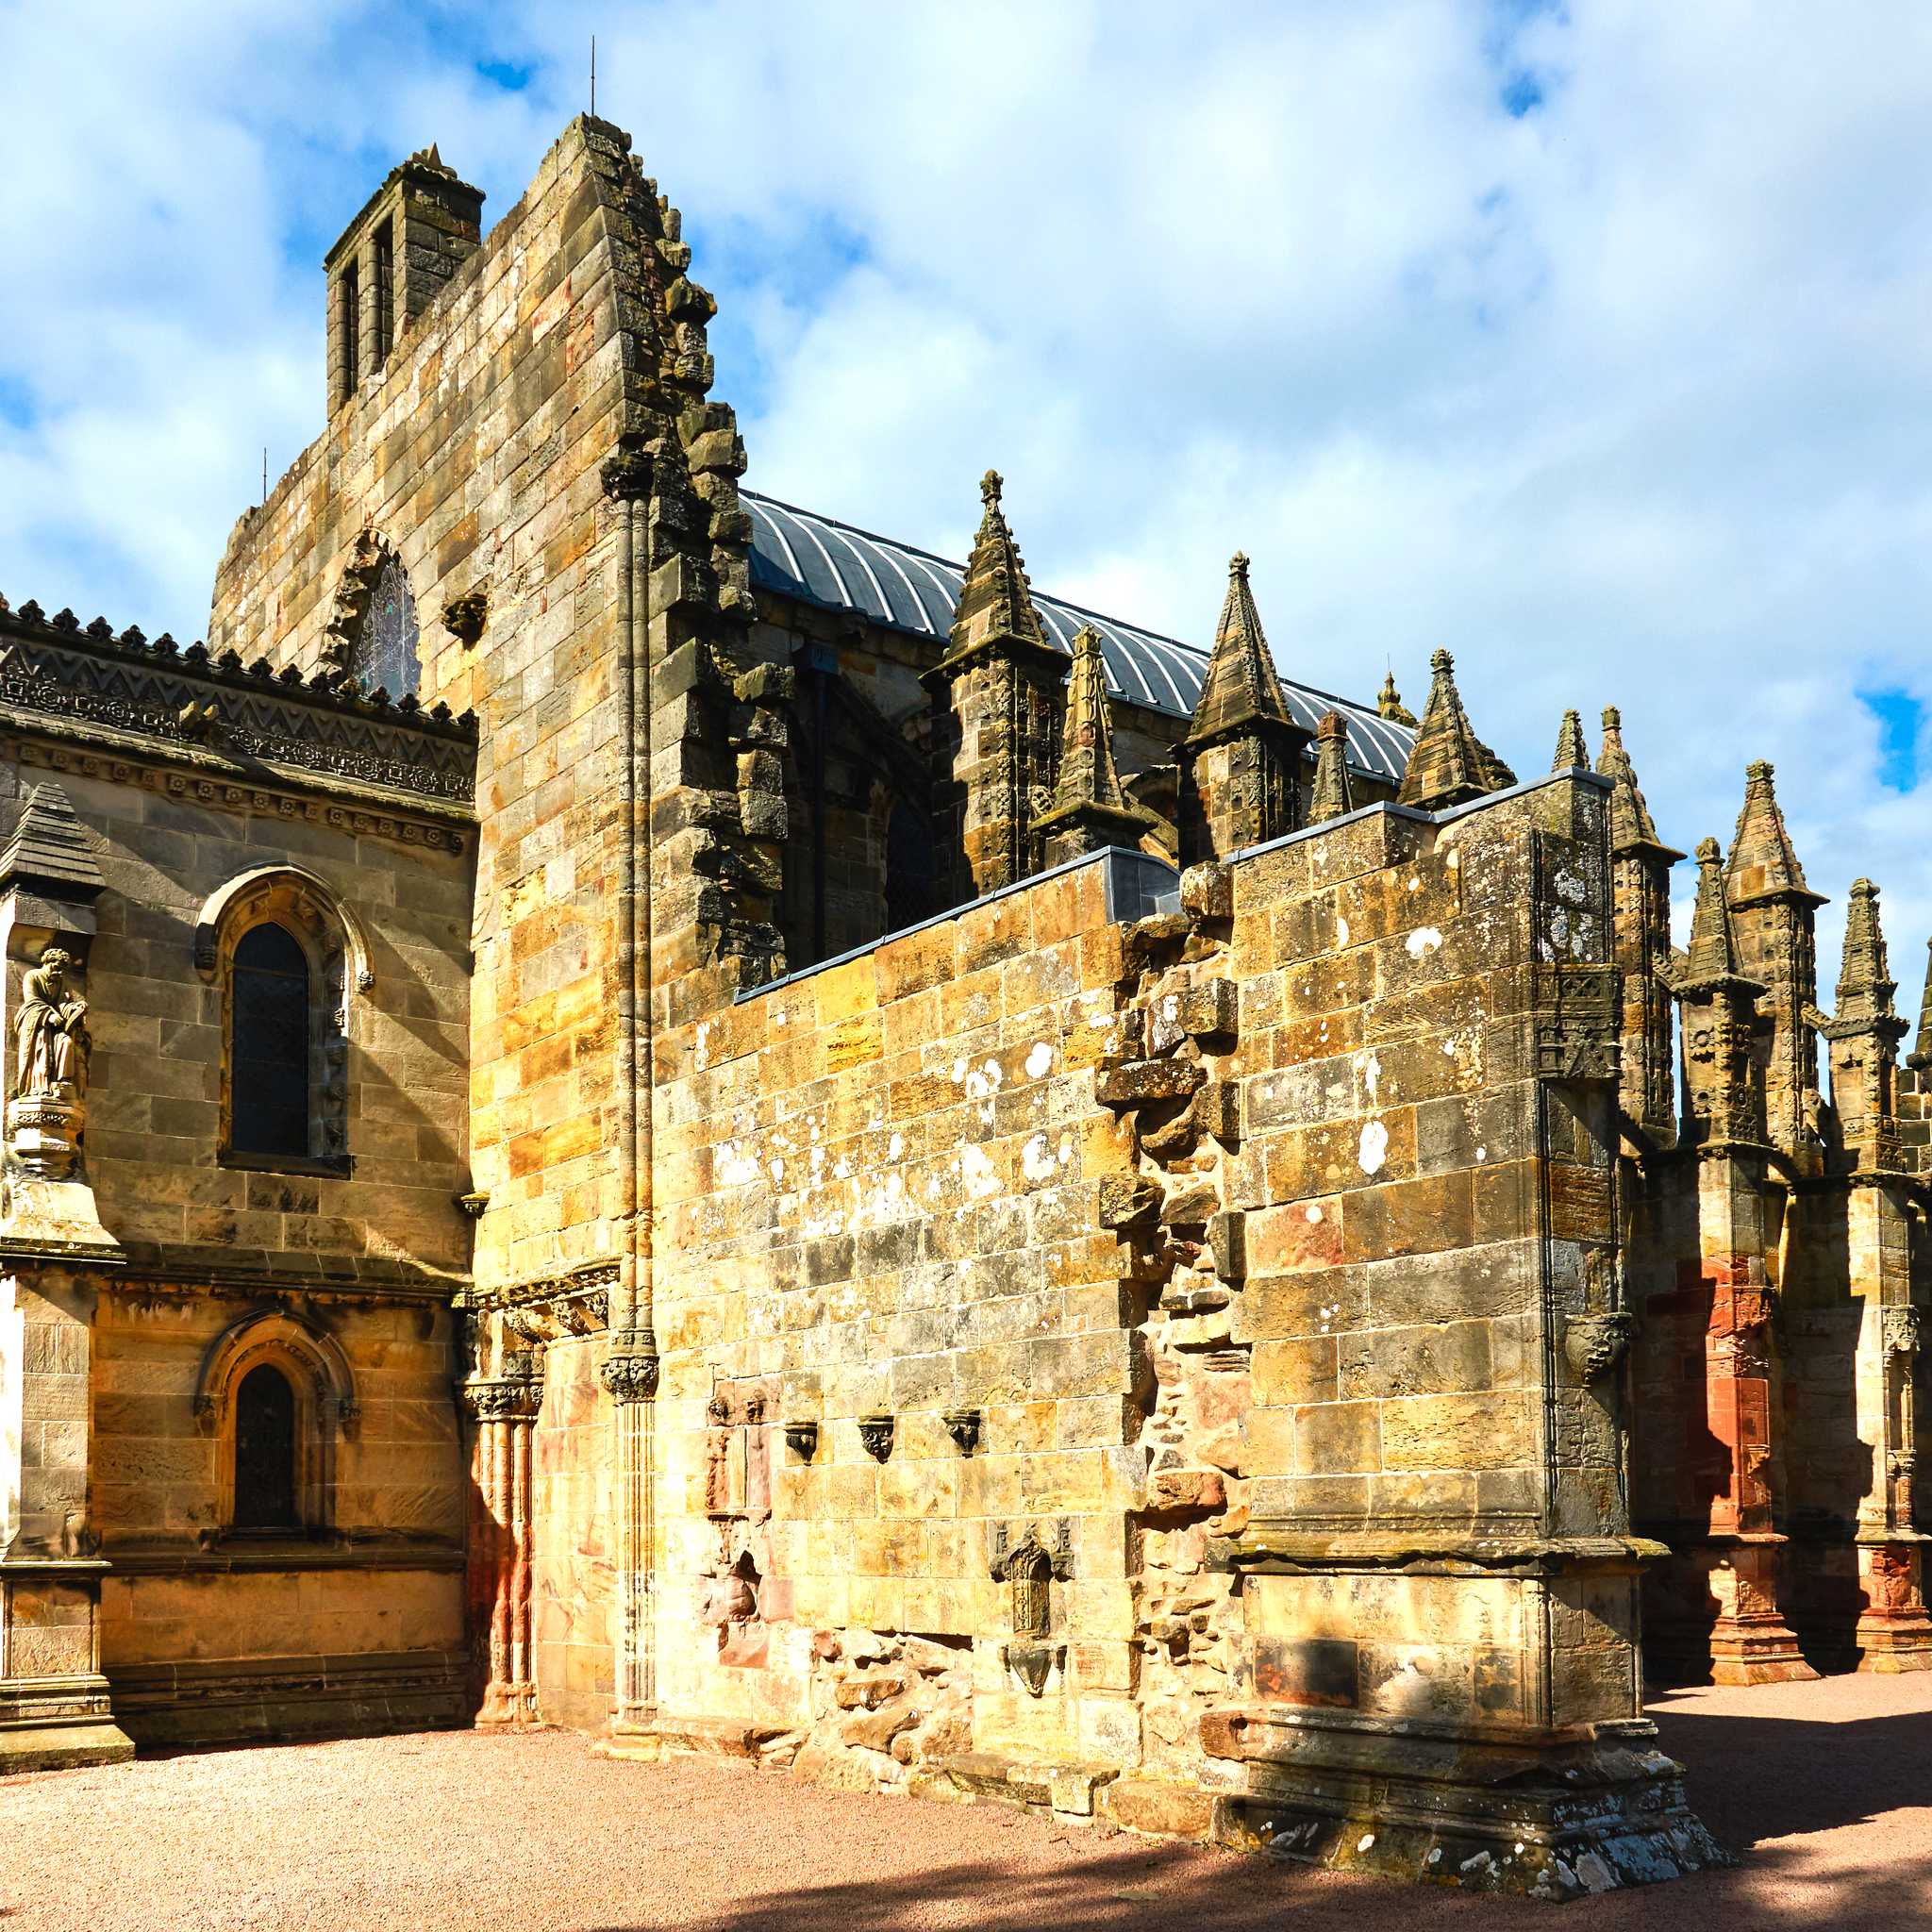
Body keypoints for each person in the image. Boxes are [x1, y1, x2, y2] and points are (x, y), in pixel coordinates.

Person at [13, 946, 88, 1100]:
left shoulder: (59, 982)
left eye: (62, 970)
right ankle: (38, 1086)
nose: (59, 973)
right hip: (36, 1023)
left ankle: (61, 1083)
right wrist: (48, 1016)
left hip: (55, 1027)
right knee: (42, 1043)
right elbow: (32, 1001)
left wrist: (75, 1008)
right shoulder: (32, 976)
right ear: (47, 961)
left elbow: (61, 1004)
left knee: (67, 1042)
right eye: (57, 967)